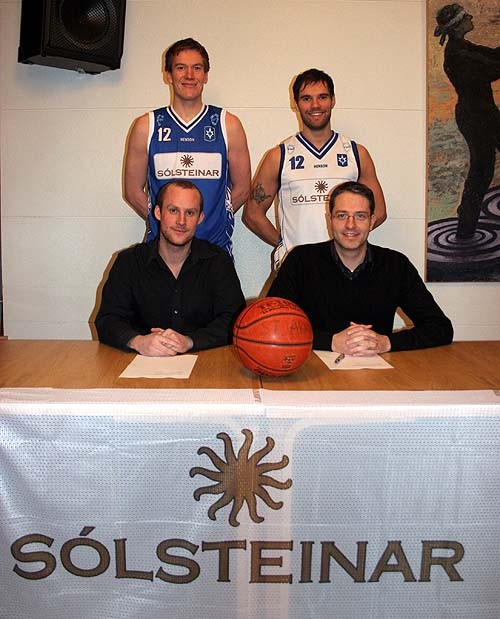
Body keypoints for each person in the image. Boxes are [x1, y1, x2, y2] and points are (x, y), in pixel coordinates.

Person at [268, 181, 453, 355]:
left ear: (371, 221)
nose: (351, 225)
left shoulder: (396, 265)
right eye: (342, 216)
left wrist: (386, 343)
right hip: (313, 369)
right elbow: (271, 324)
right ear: (330, 220)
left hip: (378, 371)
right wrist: (330, 342)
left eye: (360, 216)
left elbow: (441, 328)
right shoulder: (300, 261)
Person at [243, 68, 386, 269]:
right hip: (297, 268)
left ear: (333, 100)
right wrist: (284, 246)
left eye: (322, 97)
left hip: (345, 266)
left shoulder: (356, 153)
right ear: (295, 103)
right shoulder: (279, 156)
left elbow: (379, 211)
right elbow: (252, 214)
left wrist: (350, 238)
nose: (315, 105)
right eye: (306, 98)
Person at [124, 38, 251, 254]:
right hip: (162, 252)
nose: (189, 75)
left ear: (206, 75)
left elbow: (243, 188)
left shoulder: (228, 124)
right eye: (181, 68)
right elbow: (133, 191)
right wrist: (166, 224)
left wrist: (214, 219)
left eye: (197, 68)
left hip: (214, 250)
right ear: (168, 75)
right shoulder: (147, 126)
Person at [96, 180, 245, 356]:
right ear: (158, 212)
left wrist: (190, 341)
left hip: (205, 362)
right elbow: (107, 320)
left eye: (190, 213)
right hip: (141, 362)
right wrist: (138, 341)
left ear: (200, 218)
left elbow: (235, 321)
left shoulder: (218, 262)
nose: (181, 221)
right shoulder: (128, 262)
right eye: (173, 210)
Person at [434, 4, 500, 239]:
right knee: (481, 173)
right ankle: (465, 229)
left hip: (483, 114)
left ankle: (466, 222)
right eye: (465, 17)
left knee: (481, 172)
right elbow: (494, 67)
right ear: (457, 26)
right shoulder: (459, 55)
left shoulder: (462, 48)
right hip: (476, 118)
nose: (471, 17)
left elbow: (491, 56)